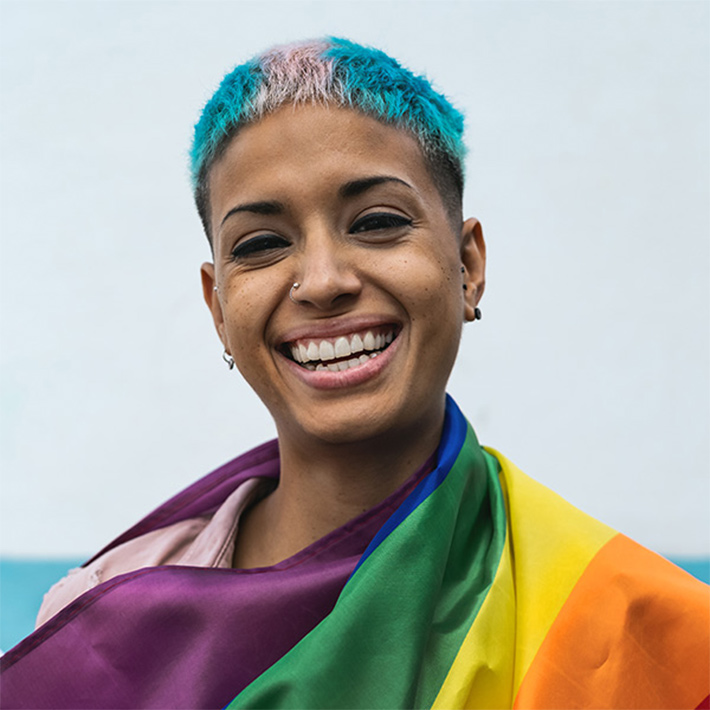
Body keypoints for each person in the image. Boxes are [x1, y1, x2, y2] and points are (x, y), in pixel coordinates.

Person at [0, 37, 707, 710]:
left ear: (468, 267)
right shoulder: (107, 621)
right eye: (264, 243)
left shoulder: (634, 630)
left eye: (375, 222)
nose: (323, 281)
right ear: (219, 307)